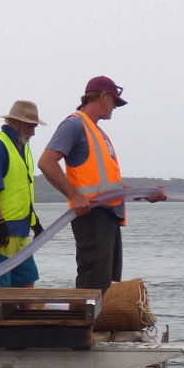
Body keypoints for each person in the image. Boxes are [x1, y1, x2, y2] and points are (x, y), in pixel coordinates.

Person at [38, 75, 163, 291]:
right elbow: (46, 162)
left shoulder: (99, 133)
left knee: (102, 283)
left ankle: (89, 324)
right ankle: (79, 325)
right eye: (114, 101)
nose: (115, 107)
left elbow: (111, 185)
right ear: (103, 96)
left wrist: (145, 194)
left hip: (107, 216)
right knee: (91, 283)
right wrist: (74, 196)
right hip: (91, 215)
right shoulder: (74, 125)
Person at [0, 99, 46, 288]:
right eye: (30, 126)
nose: (33, 132)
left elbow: (21, 189)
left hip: (19, 229)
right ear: (15, 122)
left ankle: (28, 318)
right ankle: (0, 317)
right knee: (0, 289)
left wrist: (34, 222)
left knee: (27, 280)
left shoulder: (22, 146)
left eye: (34, 126)